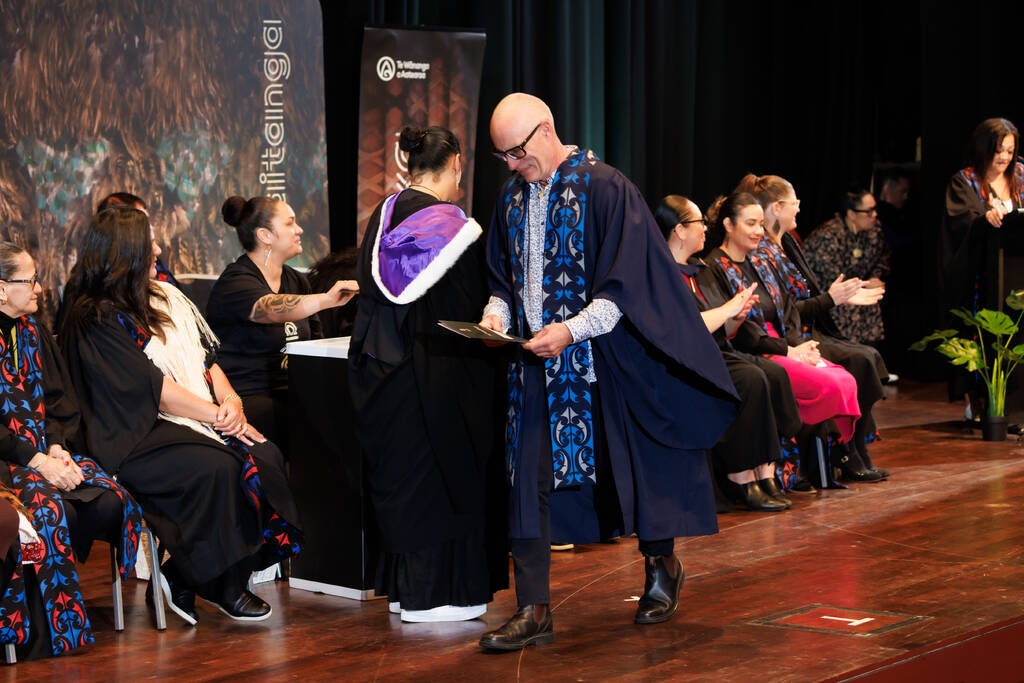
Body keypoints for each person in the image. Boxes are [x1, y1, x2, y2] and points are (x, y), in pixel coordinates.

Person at [477, 93, 738, 650]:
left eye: (518, 152)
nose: (514, 166)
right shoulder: (511, 196)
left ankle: (662, 565)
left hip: (603, 358)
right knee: (527, 477)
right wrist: (495, 315)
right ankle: (534, 607)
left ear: (546, 131)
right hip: (534, 361)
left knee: (638, 464)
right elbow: (503, 278)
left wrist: (571, 331)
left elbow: (628, 284)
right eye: (503, 157)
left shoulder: (606, 187)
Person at [60, 206, 302, 626]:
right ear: (125, 251)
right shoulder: (93, 316)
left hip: (181, 420)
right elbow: (152, 389)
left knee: (264, 456)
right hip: (127, 434)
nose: (157, 247)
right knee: (220, 468)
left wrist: (232, 404)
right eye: (148, 242)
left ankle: (190, 577)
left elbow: (206, 359)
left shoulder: (159, 297)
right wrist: (216, 417)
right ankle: (215, 583)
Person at [349, 125, 507, 623]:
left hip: (382, 376)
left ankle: (404, 591)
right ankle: (442, 595)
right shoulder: (454, 229)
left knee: (402, 482)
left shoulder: (383, 215)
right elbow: (463, 316)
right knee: (442, 481)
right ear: (456, 162)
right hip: (435, 383)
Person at [0, 242, 142, 658]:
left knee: (113, 500)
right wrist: (37, 460)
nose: (40, 288)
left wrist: (58, 446)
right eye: (31, 280)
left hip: (45, 450)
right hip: (7, 462)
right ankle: (36, 637)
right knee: (46, 511)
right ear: (2, 288)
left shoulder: (33, 331)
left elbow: (61, 400)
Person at [699, 192, 866, 484]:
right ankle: (789, 470)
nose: (758, 232)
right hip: (757, 348)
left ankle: (825, 463)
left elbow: (787, 309)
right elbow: (743, 331)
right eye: (751, 224)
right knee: (828, 382)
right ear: (728, 224)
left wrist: (800, 346)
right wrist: (789, 351)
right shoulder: (714, 267)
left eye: (761, 224)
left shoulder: (761, 263)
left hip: (785, 343)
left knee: (846, 376)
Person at [738, 174, 890, 481]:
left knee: (869, 355)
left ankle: (856, 446)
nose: (798, 208)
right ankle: (848, 451)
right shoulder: (762, 251)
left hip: (805, 328)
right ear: (777, 207)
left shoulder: (787, 242)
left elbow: (804, 299)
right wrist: (832, 300)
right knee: (860, 358)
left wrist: (840, 297)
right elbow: (784, 312)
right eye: (794, 203)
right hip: (789, 336)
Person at [655, 195, 802, 511]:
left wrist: (735, 317)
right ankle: (740, 476)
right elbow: (685, 329)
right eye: (698, 224)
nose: (704, 229)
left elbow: (725, 332)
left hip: (713, 351)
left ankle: (765, 470)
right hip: (684, 362)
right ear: (680, 230)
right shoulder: (661, 272)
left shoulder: (698, 267)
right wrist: (726, 310)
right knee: (750, 378)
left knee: (769, 373)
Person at [205, 196, 357, 444]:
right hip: (246, 396)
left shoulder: (297, 281)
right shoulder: (236, 281)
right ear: (265, 235)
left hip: (292, 390)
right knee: (312, 422)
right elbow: (268, 308)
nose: (299, 229)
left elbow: (314, 346)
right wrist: (327, 299)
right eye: (289, 223)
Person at [941, 117, 1023, 316]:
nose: (1005, 157)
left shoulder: (1020, 174)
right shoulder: (965, 181)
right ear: (983, 148)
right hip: (982, 279)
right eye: (998, 150)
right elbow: (961, 223)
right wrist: (985, 220)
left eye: (1010, 151)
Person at [803, 189, 891, 344]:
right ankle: (848, 350)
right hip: (826, 294)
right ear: (851, 214)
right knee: (852, 305)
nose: (875, 215)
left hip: (856, 287)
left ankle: (867, 353)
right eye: (869, 212)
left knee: (872, 300)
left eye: (875, 209)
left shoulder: (873, 230)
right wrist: (861, 287)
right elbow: (830, 278)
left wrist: (874, 277)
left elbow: (882, 258)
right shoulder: (828, 236)